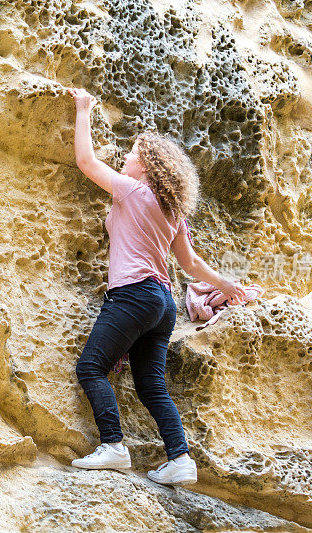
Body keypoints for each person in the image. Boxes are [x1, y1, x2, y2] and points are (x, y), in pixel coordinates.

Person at [66, 87, 247, 486]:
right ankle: (180, 458)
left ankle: (113, 446)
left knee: (91, 367)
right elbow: (191, 265)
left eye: (132, 154)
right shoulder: (172, 211)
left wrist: (84, 108)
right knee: (151, 385)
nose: (126, 157)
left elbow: (85, 160)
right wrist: (227, 285)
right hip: (163, 303)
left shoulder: (132, 190)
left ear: (146, 166)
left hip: (133, 294)